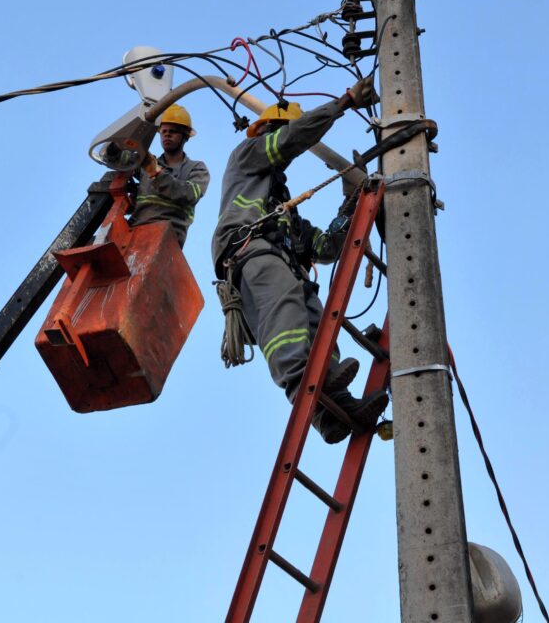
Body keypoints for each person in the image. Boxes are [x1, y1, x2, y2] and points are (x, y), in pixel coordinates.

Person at [211, 77, 387, 444]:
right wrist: (344, 102)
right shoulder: (247, 156)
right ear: (269, 130)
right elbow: (292, 139)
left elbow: (324, 248)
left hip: (278, 260)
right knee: (286, 303)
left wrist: (350, 205)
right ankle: (302, 377)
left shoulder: (284, 212)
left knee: (317, 319)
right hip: (249, 252)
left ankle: (332, 413)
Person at [129, 104, 209, 248]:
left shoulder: (197, 168)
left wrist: (155, 172)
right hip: (133, 231)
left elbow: (188, 194)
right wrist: (116, 146)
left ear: (185, 136)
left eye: (173, 131)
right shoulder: (146, 162)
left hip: (168, 237)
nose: (167, 134)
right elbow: (120, 160)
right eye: (163, 131)